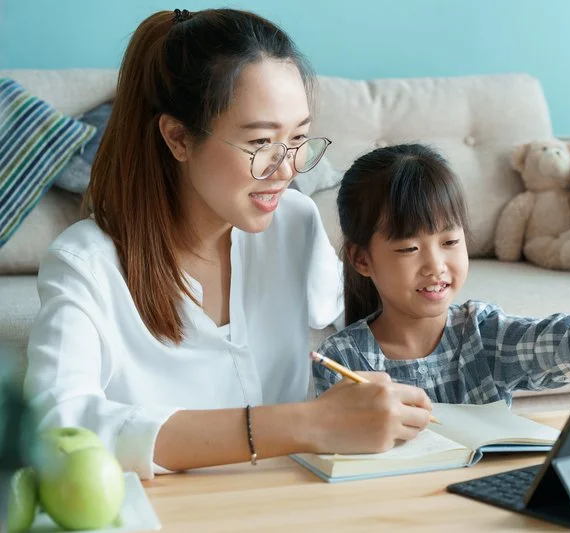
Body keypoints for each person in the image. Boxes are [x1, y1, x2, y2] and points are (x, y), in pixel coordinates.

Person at [23, 9, 435, 480]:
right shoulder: (87, 264)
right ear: (178, 137)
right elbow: (53, 429)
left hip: (298, 494)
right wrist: (306, 423)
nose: (288, 169)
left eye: (298, 137)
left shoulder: (294, 223)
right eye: (262, 143)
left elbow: (367, 322)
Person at [313, 144, 570, 403]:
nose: (435, 266)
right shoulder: (345, 359)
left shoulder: (484, 335)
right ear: (362, 260)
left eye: (450, 241)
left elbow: (567, 340)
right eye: (409, 248)